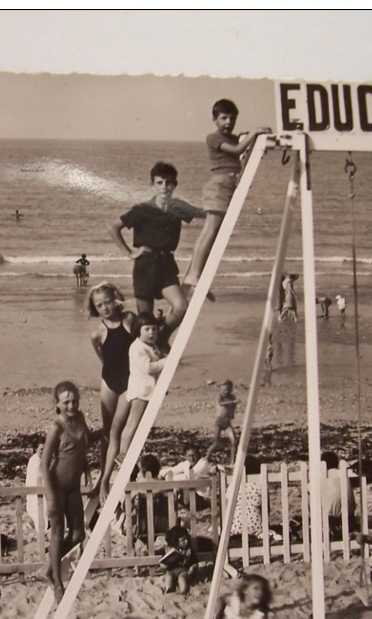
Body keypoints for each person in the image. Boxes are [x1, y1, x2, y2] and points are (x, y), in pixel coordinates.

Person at [108, 162, 206, 349]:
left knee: (182, 307)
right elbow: (113, 227)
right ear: (152, 184)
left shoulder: (178, 207)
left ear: (175, 185)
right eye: (159, 182)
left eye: (168, 183)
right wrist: (129, 252)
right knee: (145, 320)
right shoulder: (142, 209)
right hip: (145, 266)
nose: (164, 187)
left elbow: (206, 215)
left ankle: (162, 338)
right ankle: (145, 354)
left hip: (166, 264)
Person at [183, 99, 271, 293]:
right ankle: (193, 274)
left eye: (232, 118)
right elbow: (237, 150)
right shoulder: (213, 138)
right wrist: (255, 132)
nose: (228, 122)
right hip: (219, 186)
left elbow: (240, 146)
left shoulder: (233, 137)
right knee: (210, 231)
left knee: (211, 232)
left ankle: (195, 274)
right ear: (215, 120)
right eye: (224, 118)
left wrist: (252, 136)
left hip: (228, 187)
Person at [40, 381, 102, 602]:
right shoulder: (57, 427)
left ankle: (50, 567)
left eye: (74, 400)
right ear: (57, 403)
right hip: (57, 487)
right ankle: (57, 582)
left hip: (73, 488)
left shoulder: (81, 419)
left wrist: (107, 431)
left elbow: (86, 440)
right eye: (66, 401)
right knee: (57, 534)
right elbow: (44, 465)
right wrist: (52, 498)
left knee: (78, 534)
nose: (72, 405)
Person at [87, 283, 137, 499]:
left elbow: (143, 343)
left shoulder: (129, 320)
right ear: (95, 308)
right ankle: (102, 479)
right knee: (107, 434)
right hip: (109, 381)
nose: (105, 308)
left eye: (107, 302)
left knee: (119, 430)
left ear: (115, 299)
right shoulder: (97, 334)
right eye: (99, 305)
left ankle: (112, 478)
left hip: (128, 382)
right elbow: (103, 358)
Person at [112, 313, 167, 495]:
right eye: (147, 329)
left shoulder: (147, 346)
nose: (151, 333)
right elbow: (148, 368)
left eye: (154, 329)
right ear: (139, 330)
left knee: (138, 424)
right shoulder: (137, 347)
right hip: (141, 390)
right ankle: (123, 455)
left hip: (146, 389)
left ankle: (128, 453)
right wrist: (167, 361)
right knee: (133, 423)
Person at [205, 380, 238, 464]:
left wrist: (232, 412)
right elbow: (221, 403)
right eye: (223, 390)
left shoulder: (232, 397)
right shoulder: (220, 397)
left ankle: (232, 461)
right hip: (219, 422)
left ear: (230, 389)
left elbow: (234, 406)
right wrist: (232, 402)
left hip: (227, 423)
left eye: (226, 390)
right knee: (216, 442)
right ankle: (206, 458)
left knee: (234, 441)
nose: (224, 392)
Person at [159, 525, 197, 595]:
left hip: (184, 571)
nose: (186, 541)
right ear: (175, 541)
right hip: (172, 571)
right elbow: (163, 563)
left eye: (187, 539)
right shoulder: (169, 550)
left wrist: (192, 568)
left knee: (182, 578)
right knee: (168, 576)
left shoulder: (189, 551)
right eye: (183, 540)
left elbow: (195, 562)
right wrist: (164, 565)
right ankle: (168, 588)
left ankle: (183, 591)